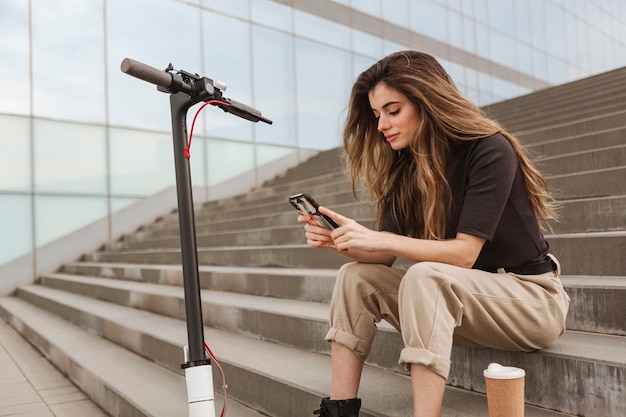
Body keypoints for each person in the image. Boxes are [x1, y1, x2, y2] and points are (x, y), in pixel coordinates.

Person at [297, 51, 570, 417]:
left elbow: (464, 255)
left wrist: (380, 239)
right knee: (355, 276)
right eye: (377, 115)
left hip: (530, 300)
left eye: (393, 111)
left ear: (427, 102)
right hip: (467, 302)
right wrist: (340, 240)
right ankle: (340, 410)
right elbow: (383, 257)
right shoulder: (406, 168)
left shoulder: (489, 149)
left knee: (425, 276)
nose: (381, 125)